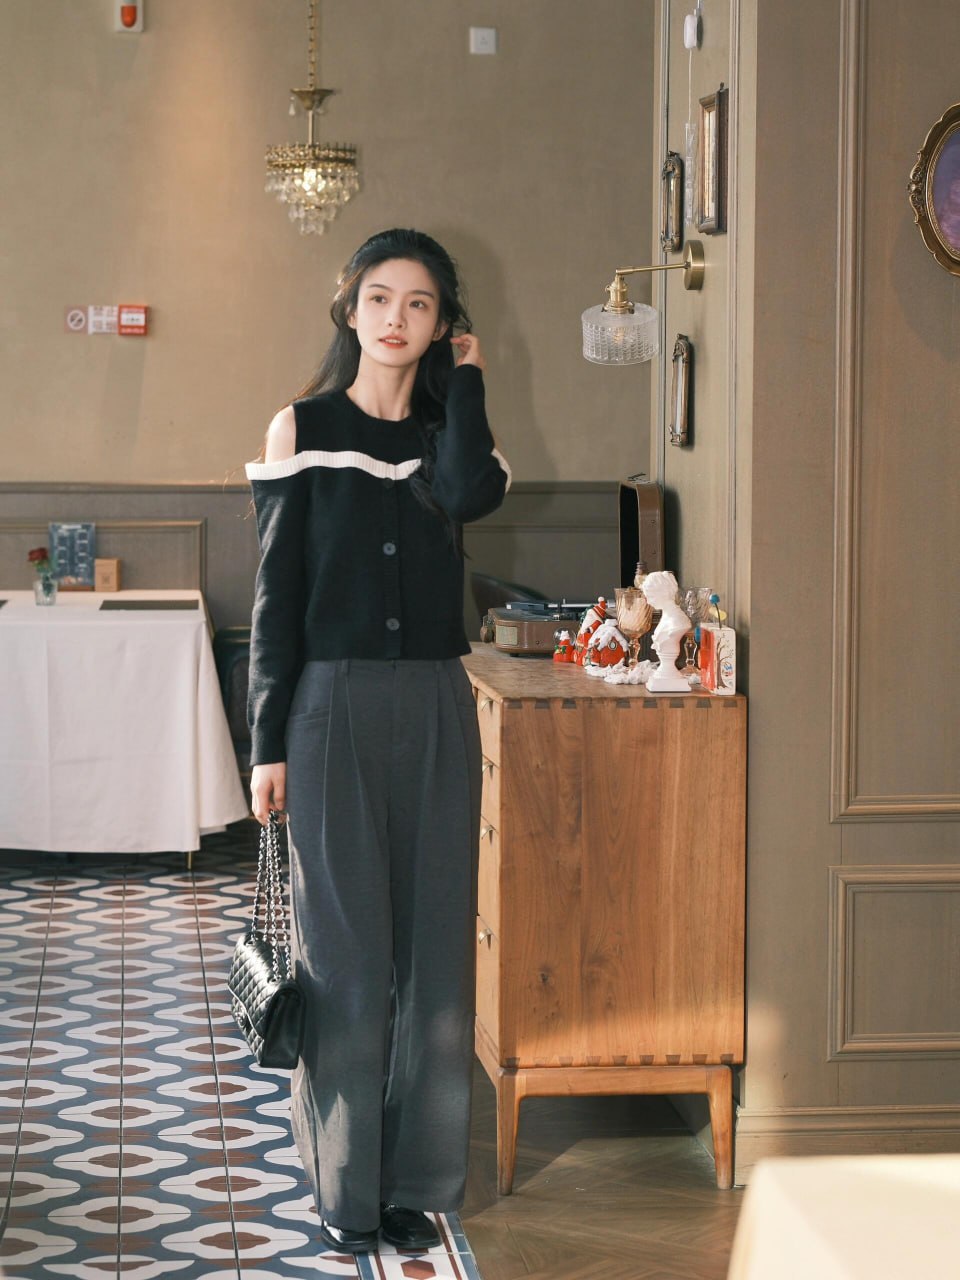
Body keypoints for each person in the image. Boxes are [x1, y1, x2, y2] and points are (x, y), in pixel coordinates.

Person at [244, 229, 510, 1255]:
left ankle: (417, 1180)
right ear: (349, 309)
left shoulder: (451, 434)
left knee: (436, 952)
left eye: (421, 304)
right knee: (348, 957)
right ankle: (343, 1187)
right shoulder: (301, 427)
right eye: (381, 298)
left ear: (443, 324)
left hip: (438, 704)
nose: (397, 318)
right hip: (330, 709)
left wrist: (469, 382)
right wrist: (267, 743)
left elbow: (473, 495)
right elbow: (276, 600)